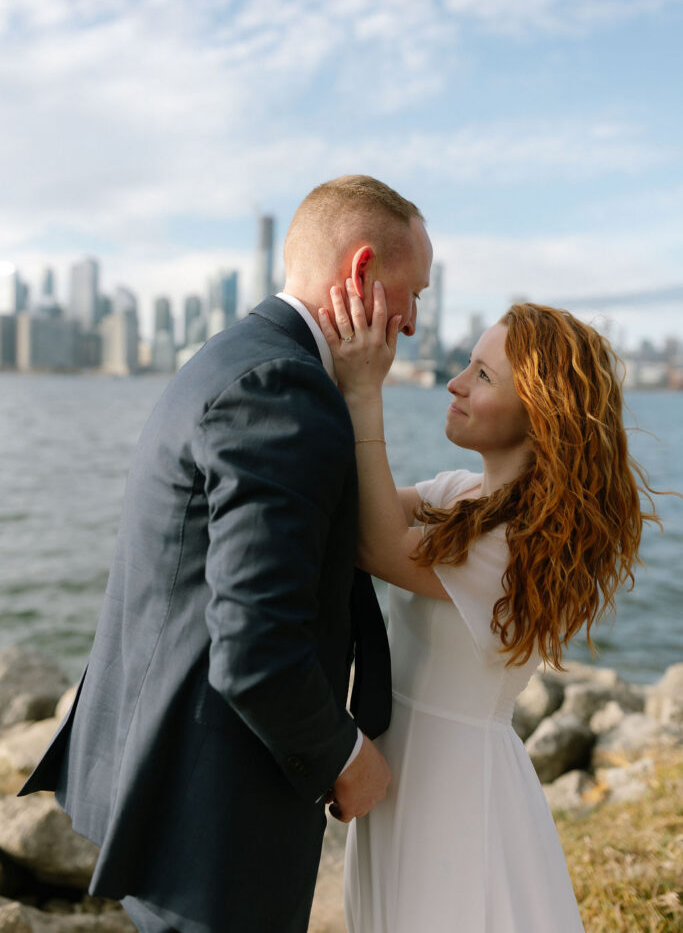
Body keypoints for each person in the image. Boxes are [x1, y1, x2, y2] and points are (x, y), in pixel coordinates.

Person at [19, 175, 433, 933]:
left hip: (169, 776)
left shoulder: (241, 356)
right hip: (214, 809)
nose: (411, 323)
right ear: (362, 270)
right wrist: (346, 756)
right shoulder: (282, 386)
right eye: (413, 294)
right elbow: (254, 643)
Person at [319, 284, 658, 933]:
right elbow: (356, 508)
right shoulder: (460, 495)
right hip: (404, 767)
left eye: (480, 374)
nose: (453, 384)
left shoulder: (519, 544)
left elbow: (370, 541)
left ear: (540, 409)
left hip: (454, 788)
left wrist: (365, 391)